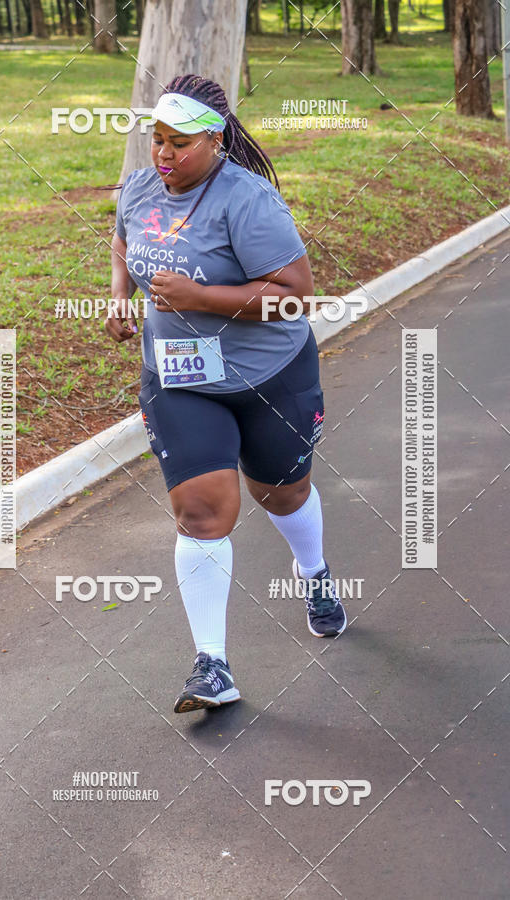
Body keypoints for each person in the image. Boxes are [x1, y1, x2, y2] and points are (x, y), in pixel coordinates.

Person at [106, 74, 346, 715]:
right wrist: (121, 298)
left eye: (179, 143)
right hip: (180, 378)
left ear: (215, 141)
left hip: (269, 375)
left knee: (281, 493)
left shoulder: (248, 200)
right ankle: (211, 664)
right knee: (203, 511)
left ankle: (314, 573)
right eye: (157, 139)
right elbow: (123, 240)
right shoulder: (140, 187)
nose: (163, 153)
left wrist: (201, 298)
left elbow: (295, 295)